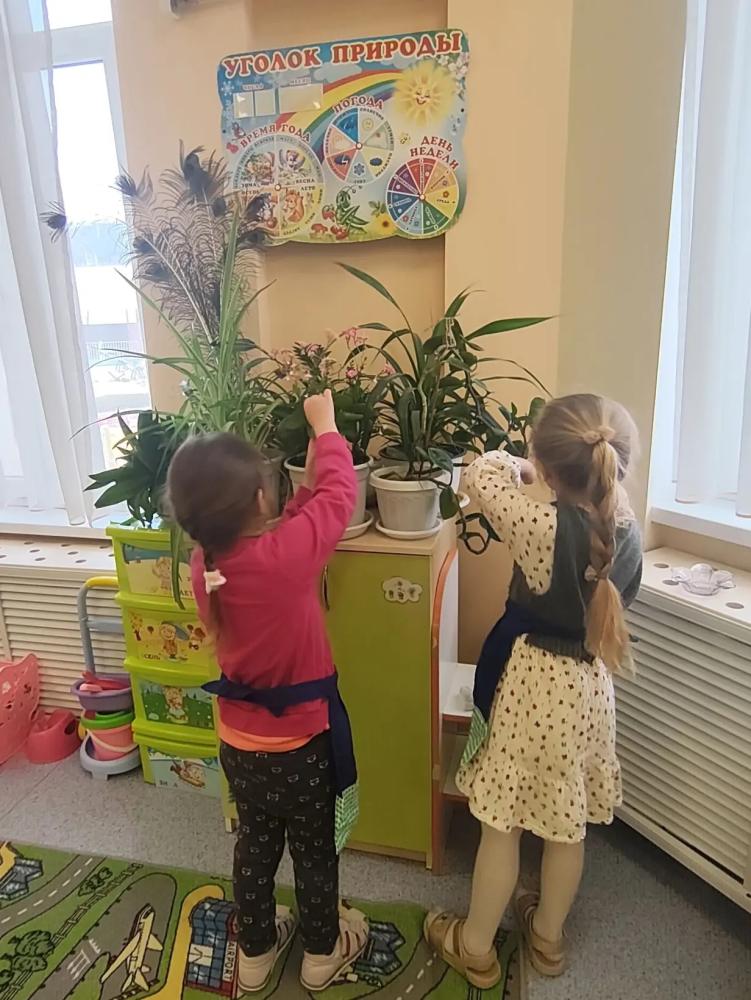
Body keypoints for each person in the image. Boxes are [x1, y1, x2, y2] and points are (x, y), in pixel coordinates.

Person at [425, 394, 642, 987]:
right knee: (567, 825)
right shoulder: (628, 528)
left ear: (548, 466)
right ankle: (547, 938)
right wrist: (543, 465)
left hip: (533, 687)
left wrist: (520, 465)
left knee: (503, 825)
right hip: (590, 690)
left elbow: (480, 476)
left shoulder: (539, 525)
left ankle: (474, 946)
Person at [166, 390, 369, 994]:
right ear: (260, 498)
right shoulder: (282, 560)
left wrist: (307, 474)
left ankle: (254, 953)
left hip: (239, 744)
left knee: (255, 847)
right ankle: (321, 952)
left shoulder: (206, 568)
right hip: (302, 746)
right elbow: (338, 499)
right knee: (313, 853)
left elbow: (299, 523)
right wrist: (327, 432)